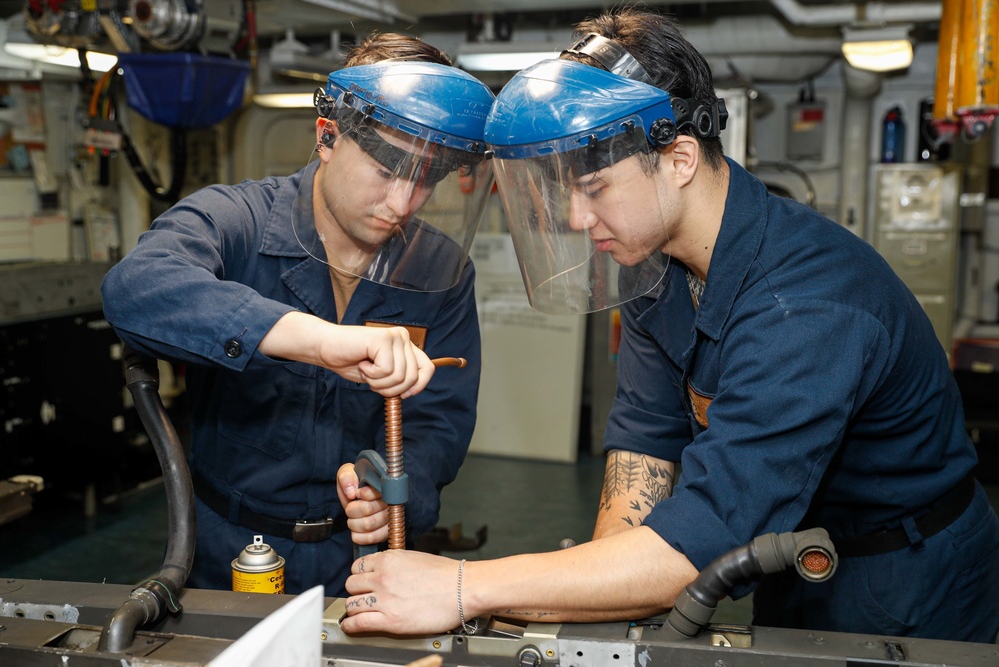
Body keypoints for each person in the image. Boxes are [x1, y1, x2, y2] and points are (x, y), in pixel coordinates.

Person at [340, 7, 999, 642]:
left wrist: (463, 586)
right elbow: (644, 450)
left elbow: (701, 539)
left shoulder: (805, 308)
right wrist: (589, 607)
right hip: (793, 557)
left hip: (908, 572)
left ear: (679, 159)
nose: (574, 218)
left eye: (593, 188)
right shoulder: (657, 270)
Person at [100, 32, 497, 597]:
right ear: (328, 136)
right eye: (387, 171)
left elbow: (442, 417)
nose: (403, 204)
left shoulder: (440, 267)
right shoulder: (235, 221)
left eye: (425, 181)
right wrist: (312, 339)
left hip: (360, 558)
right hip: (228, 551)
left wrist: (401, 490)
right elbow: (134, 288)